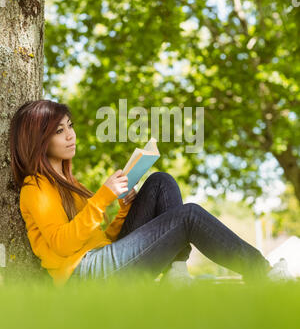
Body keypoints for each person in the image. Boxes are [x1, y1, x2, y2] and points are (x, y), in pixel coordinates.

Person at [10, 99, 293, 287]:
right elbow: (62, 245)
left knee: (160, 181)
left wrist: (122, 210)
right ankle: (263, 273)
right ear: (38, 140)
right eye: (59, 131)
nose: (70, 135)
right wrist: (103, 197)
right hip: (84, 277)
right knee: (188, 216)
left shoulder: (69, 183)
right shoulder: (34, 188)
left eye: (69, 126)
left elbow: (100, 240)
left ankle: (176, 272)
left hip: (101, 259)